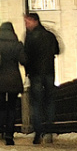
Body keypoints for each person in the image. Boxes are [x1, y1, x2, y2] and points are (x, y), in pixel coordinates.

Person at [21, 12, 61, 144]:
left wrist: (27, 66)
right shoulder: (50, 35)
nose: (26, 24)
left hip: (36, 73)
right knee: (49, 101)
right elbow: (57, 50)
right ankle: (49, 130)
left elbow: (26, 56)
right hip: (49, 72)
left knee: (36, 103)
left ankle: (38, 132)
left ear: (34, 21)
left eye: (27, 22)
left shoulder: (30, 37)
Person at [0, 21, 25, 145]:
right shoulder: (17, 44)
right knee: (12, 107)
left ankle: (1, 129)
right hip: (14, 78)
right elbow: (23, 60)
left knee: (1, 105)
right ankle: (10, 134)